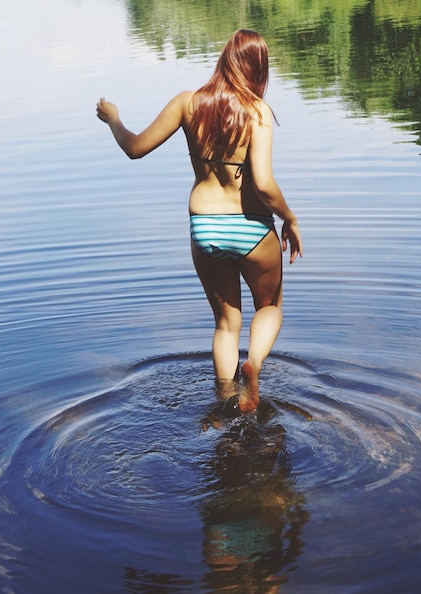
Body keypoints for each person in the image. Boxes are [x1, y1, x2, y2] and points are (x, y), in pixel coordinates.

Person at [96, 28, 302, 414]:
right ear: (259, 69)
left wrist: (113, 119)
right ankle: (252, 367)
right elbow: (264, 183)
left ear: (224, 61)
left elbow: (135, 148)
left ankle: (225, 401)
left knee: (226, 323)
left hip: (205, 227)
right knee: (269, 307)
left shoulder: (188, 103)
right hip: (252, 227)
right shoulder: (257, 112)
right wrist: (289, 219)